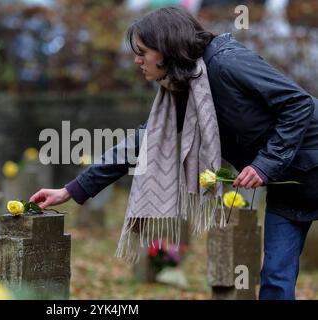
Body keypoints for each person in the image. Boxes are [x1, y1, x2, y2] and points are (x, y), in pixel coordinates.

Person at [30, 7, 318, 300]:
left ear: (166, 49)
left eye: (143, 51)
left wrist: (264, 164)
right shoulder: (187, 85)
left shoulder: (228, 63)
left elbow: (299, 104)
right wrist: (71, 190)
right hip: (288, 190)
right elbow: (143, 141)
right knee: (274, 282)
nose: (137, 60)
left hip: (311, 169)